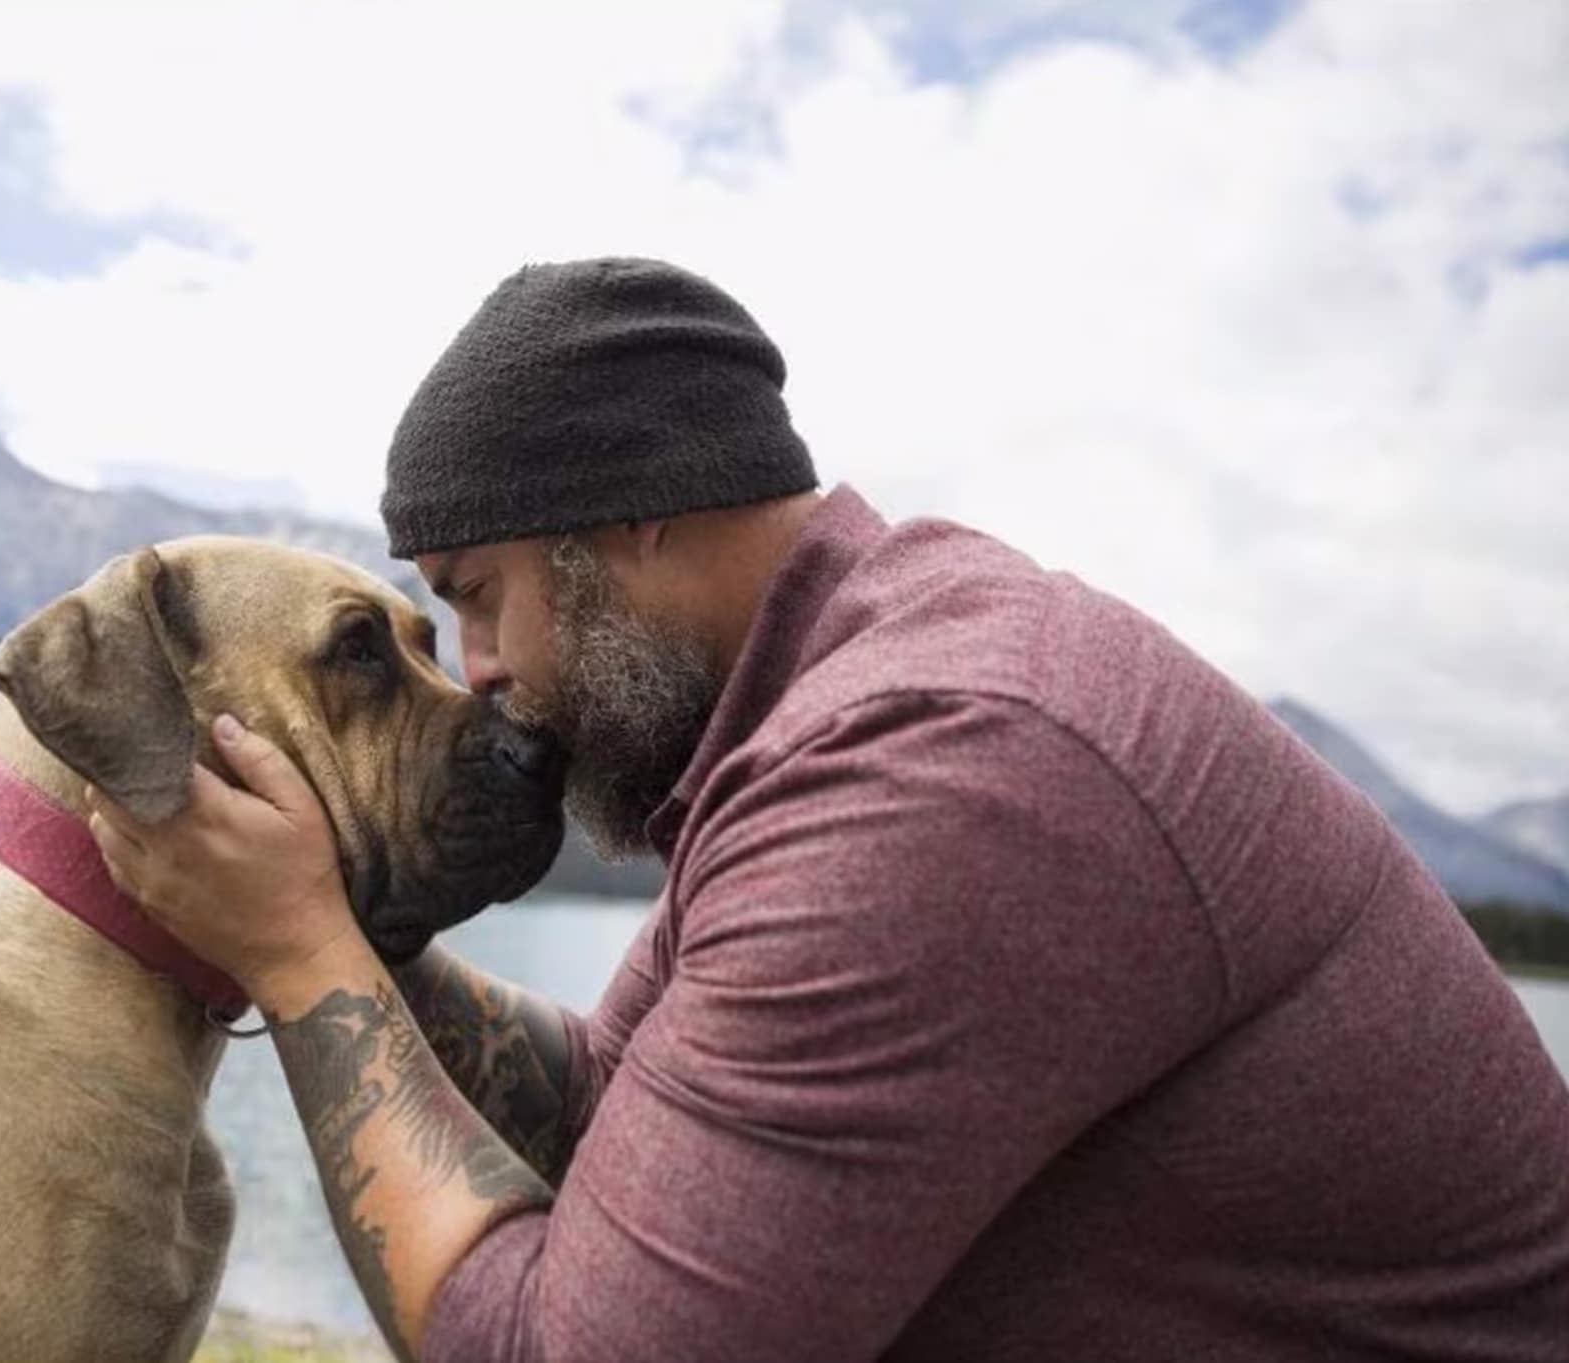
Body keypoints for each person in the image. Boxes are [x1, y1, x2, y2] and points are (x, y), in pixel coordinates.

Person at [86, 258, 1569, 1363]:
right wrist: (351, 920)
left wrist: (298, 964)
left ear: (633, 515)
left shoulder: (943, 768)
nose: (484, 678)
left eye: (478, 601)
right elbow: (616, 1104)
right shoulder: (834, 692)